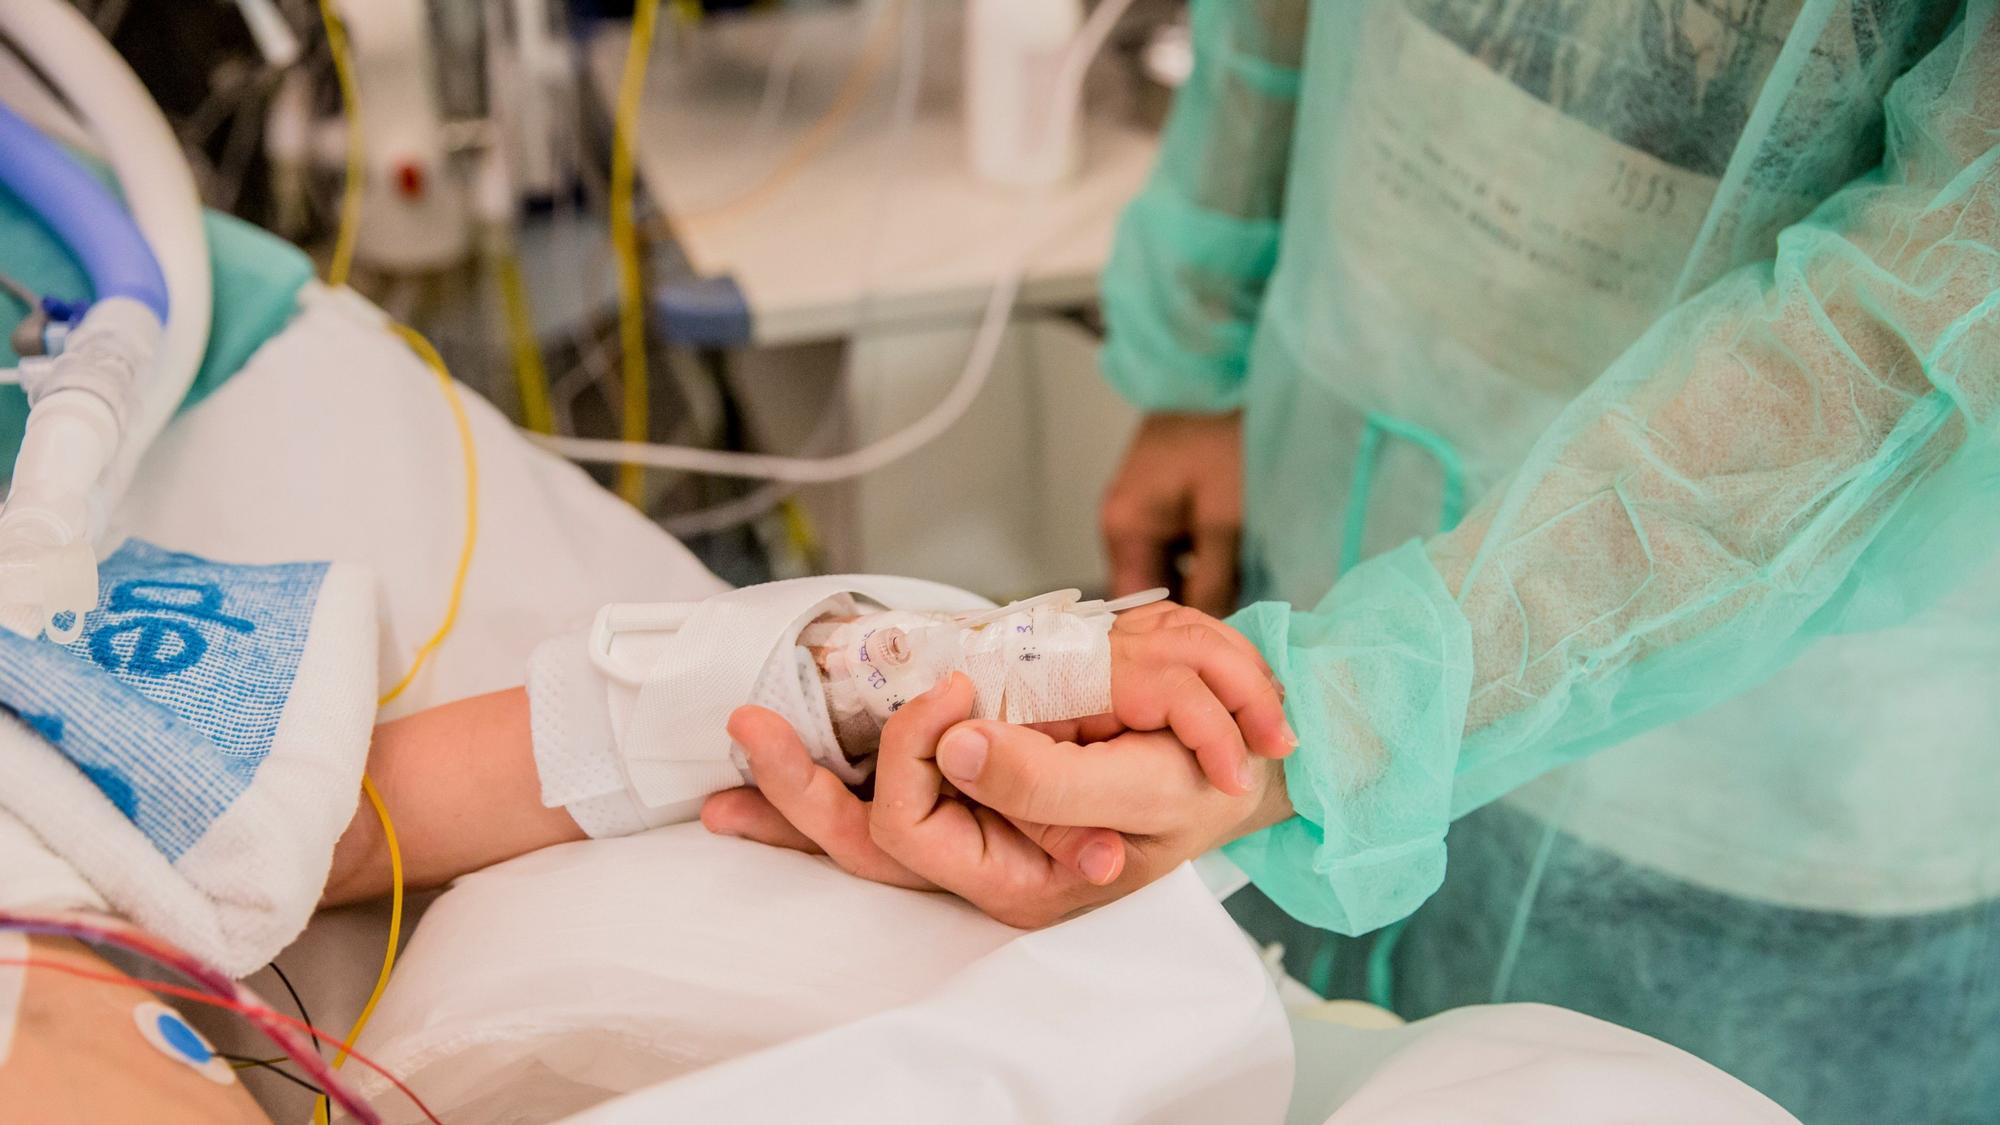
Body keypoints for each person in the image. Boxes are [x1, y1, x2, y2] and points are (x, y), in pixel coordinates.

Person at [717, 3, 2000, 1122]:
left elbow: (1936, 306)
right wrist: (1199, 368)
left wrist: (1355, 712)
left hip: (1752, 756)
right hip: (1320, 531)